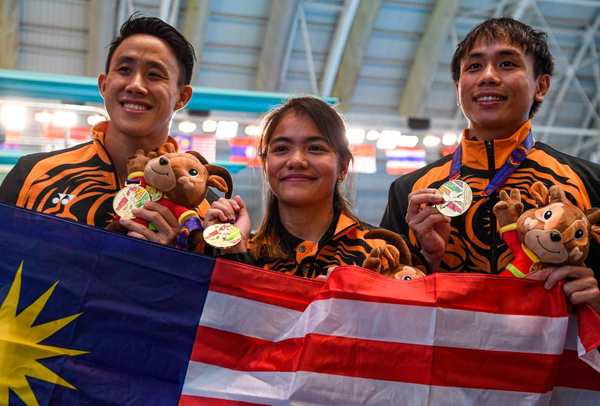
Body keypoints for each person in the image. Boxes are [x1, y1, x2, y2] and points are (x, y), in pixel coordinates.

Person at [380, 17, 600, 312]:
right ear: (459, 90)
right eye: (474, 66)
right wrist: (427, 259)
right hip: (448, 355)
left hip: (555, 356)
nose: (488, 76)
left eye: (507, 64)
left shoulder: (589, 182)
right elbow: (381, 305)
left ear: (541, 86)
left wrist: (598, 300)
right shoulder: (411, 192)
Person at [0, 14, 209, 246]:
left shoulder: (204, 209)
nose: (135, 85)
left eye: (154, 75)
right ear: (104, 84)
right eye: (124, 69)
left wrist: (176, 259)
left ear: (182, 97)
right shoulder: (31, 174)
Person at [204, 96, 431, 279]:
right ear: (265, 165)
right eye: (282, 149)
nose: (296, 161)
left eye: (315, 148)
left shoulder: (384, 252)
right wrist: (233, 252)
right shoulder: (243, 250)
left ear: (342, 167)